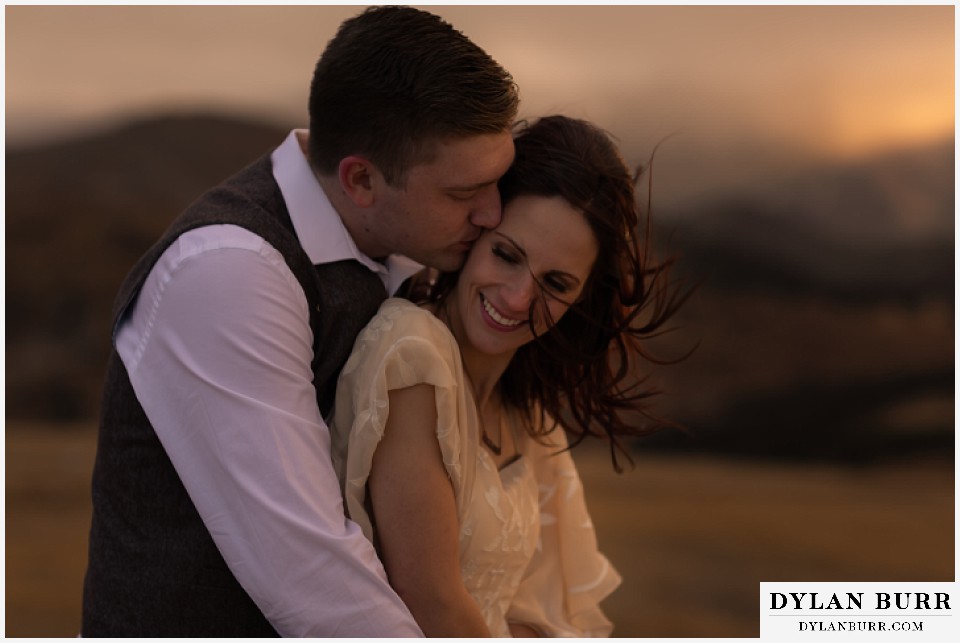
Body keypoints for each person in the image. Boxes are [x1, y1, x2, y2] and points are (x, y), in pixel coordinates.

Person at [81, 6, 518, 637]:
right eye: (463, 193)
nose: (492, 213)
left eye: (498, 181)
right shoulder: (228, 272)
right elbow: (310, 575)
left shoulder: (409, 245)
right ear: (362, 179)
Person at [331, 115, 685, 637]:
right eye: (506, 255)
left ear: (583, 298)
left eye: (556, 283)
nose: (518, 298)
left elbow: (527, 615)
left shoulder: (529, 414)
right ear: (475, 233)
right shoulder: (412, 354)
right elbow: (431, 603)